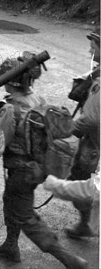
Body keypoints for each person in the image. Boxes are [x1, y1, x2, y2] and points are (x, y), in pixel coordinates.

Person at [0, 54, 88, 268]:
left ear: (9, 81)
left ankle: (68, 258)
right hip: (37, 167)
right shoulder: (36, 101)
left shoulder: (10, 109)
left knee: (25, 216)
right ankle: (10, 245)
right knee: (12, 204)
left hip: (20, 170)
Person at [65, 29, 100, 239]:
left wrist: (70, 132)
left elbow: (92, 119)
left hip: (94, 144)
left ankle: (87, 223)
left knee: (77, 180)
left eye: (94, 46)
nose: (90, 50)